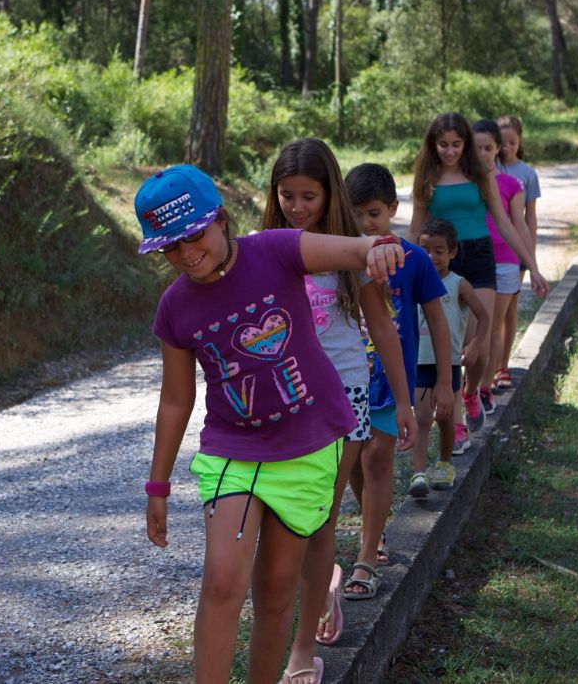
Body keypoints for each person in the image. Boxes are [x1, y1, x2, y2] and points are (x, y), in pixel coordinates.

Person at [139, 164, 407, 684]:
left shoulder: (274, 250)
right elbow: (175, 401)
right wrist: (158, 483)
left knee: (279, 589)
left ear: (220, 220)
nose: (187, 254)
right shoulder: (175, 307)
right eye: (170, 248)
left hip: (309, 446)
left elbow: (351, 249)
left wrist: (375, 248)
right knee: (221, 581)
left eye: (194, 236)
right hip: (232, 455)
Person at [262, 139, 417, 681]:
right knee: (287, 523)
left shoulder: (352, 252)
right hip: (286, 401)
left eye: (309, 195)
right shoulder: (269, 249)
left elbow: (383, 331)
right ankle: (323, 580)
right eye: (287, 195)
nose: (298, 206)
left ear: (330, 194)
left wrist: (402, 401)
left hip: (345, 398)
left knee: (319, 517)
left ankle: (302, 652)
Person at [344, 162, 453, 597]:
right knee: (351, 460)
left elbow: (438, 323)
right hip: (348, 381)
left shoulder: (414, 260)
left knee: (377, 460)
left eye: (373, 213)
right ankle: (375, 530)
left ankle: (366, 558)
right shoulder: (340, 259)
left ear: (392, 208)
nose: (365, 224)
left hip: (392, 382)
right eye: (356, 215)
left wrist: (444, 382)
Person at [405, 113, 547, 437]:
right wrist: (400, 267)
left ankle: (471, 393)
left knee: (478, 347)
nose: (450, 151)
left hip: (481, 257)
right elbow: (415, 227)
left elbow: (506, 223)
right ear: (433, 145)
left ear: (465, 144)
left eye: (457, 144)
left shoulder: (480, 174)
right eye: (443, 145)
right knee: (454, 347)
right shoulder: (427, 178)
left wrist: (532, 265)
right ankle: (456, 424)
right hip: (443, 263)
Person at [410, 218, 489, 496]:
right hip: (419, 361)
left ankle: (444, 463)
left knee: (444, 418)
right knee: (421, 417)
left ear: (452, 252)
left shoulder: (459, 285)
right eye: (425, 250)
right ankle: (418, 473)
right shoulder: (414, 282)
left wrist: (476, 343)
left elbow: (484, 316)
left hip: (450, 363)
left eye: (439, 251)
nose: (431, 257)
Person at [473, 118, 527, 415]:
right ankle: (470, 387)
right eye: (477, 148)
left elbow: (517, 224)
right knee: (471, 330)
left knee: (492, 326)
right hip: (472, 260)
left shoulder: (511, 184)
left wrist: (529, 262)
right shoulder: (465, 182)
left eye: (488, 148)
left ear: (497, 150)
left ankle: (484, 387)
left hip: (505, 261)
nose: (483, 154)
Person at [494, 114, 543, 391]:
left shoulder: (527, 174)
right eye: (502, 142)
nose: (507, 147)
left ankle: (503, 366)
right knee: (491, 312)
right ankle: (486, 365)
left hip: (518, 250)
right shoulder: (487, 169)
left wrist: (530, 253)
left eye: (512, 142)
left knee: (510, 308)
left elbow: (530, 217)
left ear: (520, 142)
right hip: (491, 250)